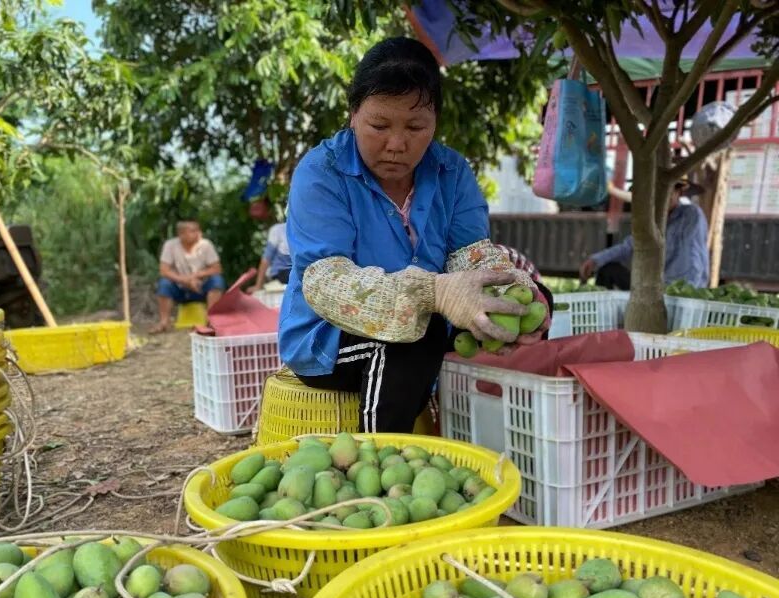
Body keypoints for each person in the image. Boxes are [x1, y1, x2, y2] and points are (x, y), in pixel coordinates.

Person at [279, 37, 547, 434]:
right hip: (328, 339)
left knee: (531, 300)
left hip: (425, 330)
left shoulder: (450, 171)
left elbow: (471, 254)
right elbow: (325, 281)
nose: (397, 145)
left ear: (435, 121)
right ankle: (379, 457)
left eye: (416, 127)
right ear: (353, 115)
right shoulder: (322, 173)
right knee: (417, 333)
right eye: (379, 126)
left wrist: (510, 294)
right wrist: (432, 293)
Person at [579, 177, 709, 289]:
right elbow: (629, 246)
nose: (662, 196)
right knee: (608, 270)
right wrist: (595, 260)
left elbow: (693, 256)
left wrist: (686, 291)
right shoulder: (652, 219)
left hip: (679, 287)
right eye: (657, 191)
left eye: (668, 191)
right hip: (653, 287)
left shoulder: (690, 214)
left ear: (678, 193)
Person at [152, 219, 225, 333]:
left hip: (201, 287)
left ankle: (210, 321)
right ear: (181, 234)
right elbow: (164, 270)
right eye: (193, 231)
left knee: (217, 281)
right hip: (179, 288)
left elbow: (217, 268)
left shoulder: (206, 245)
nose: (198, 233)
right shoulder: (170, 245)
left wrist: (196, 275)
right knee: (164, 283)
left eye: (198, 230)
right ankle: (164, 322)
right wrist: (185, 280)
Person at [247, 221, 291, 293]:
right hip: (281, 273)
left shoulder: (305, 230)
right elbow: (266, 259)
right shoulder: (278, 229)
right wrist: (258, 285)